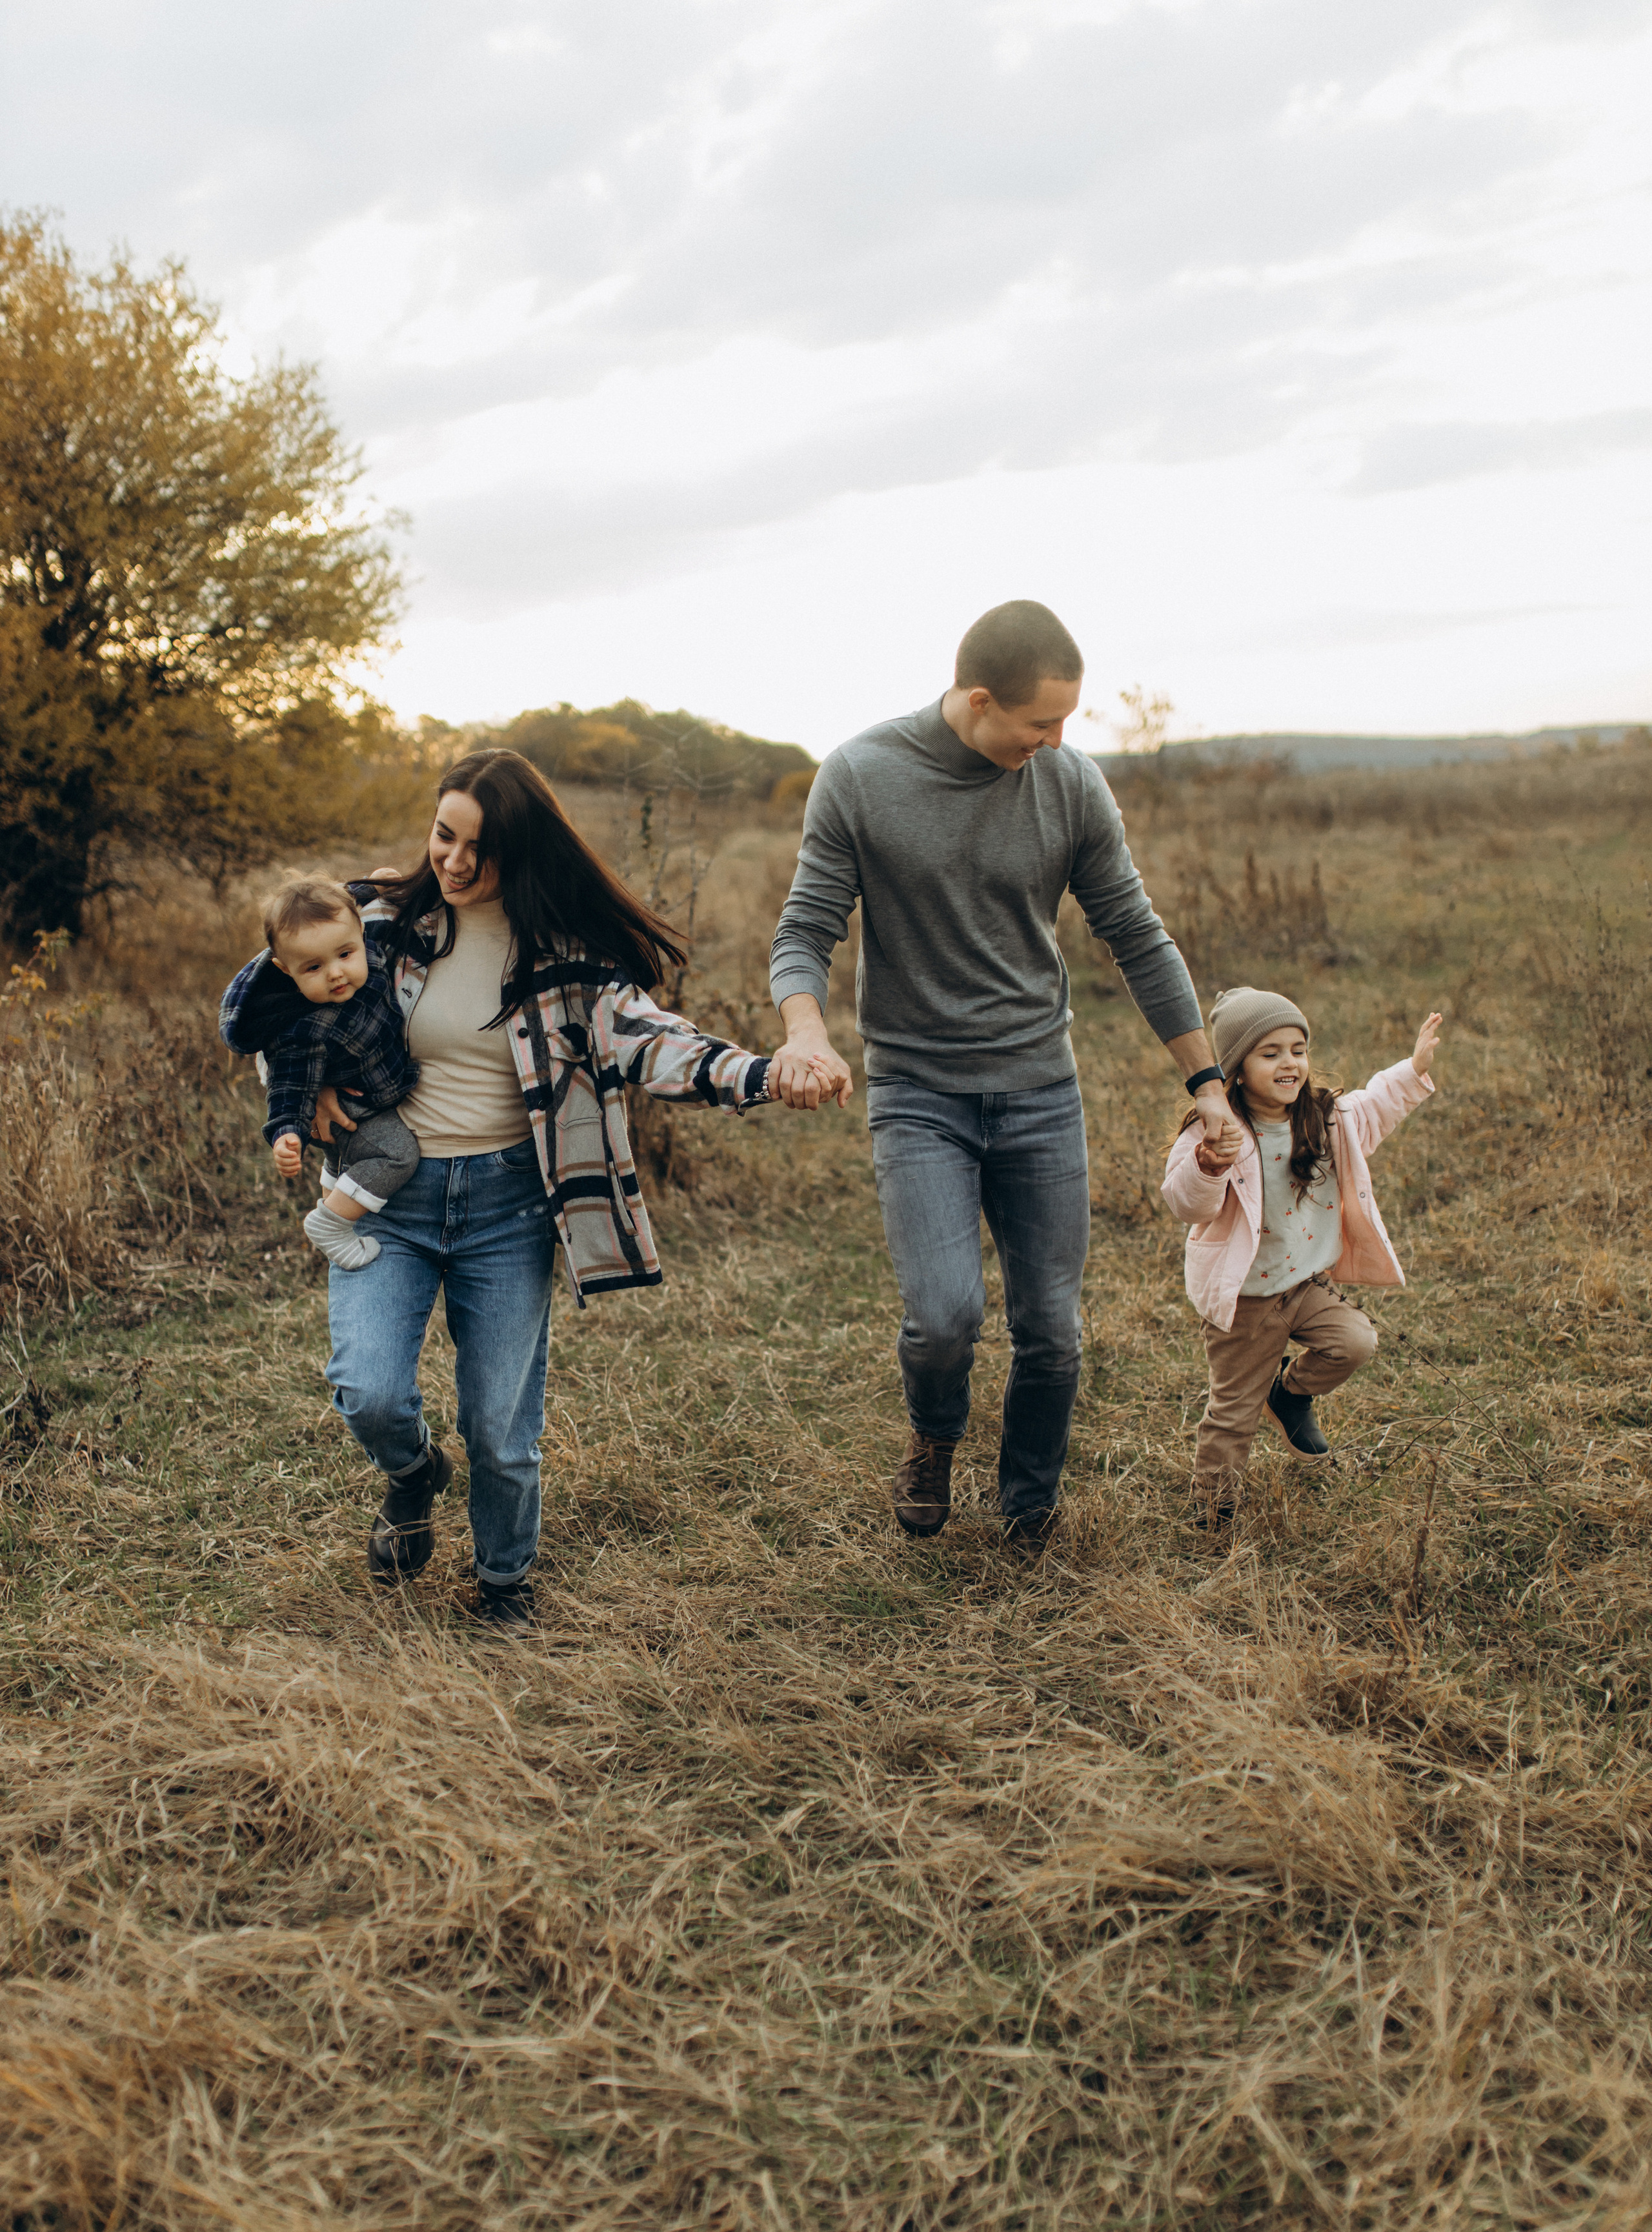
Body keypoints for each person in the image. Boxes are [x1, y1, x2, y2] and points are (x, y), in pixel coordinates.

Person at [766, 598, 1240, 1547]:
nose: (1059, 741)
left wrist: (1207, 1080)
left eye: (1068, 722)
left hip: (1039, 1088)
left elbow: (1136, 936)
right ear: (979, 701)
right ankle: (934, 1435)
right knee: (944, 1316)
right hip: (917, 1092)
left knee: (1052, 1330)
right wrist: (806, 1032)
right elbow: (806, 926)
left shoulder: (1070, 784)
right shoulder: (861, 775)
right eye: (1041, 724)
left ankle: (1029, 1506)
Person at [309, 749, 780, 1632]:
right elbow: (276, 999)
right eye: (442, 835)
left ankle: (503, 1584)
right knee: (369, 1391)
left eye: (476, 849)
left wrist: (759, 1073)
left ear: (520, 855)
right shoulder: (381, 927)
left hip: (506, 1210)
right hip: (387, 1202)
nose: (451, 860)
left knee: (499, 1426)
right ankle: (413, 1478)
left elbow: (655, 1041)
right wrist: (304, 1084)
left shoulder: (568, 959)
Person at [1161, 986, 1442, 1529]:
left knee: (1355, 1342)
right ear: (1236, 1070)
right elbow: (1184, 1203)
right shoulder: (1216, 1130)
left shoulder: (1327, 1118)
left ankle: (1288, 1395)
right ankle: (1212, 1512)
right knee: (1233, 1414)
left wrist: (1413, 1069)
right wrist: (1208, 1165)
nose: (1290, 1063)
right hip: (1245, 1301)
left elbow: (1378, 1104)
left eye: (1298, 1049)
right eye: (1270, 1053)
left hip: (1303, 1286)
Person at [219, 875, 422, 1271]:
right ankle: (330, 1225)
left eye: (344, 954)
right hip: (358, 1116)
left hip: (375, 1093)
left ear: (360, 930)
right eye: (313, 967)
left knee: (338, 1162)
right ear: (285, 970)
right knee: (398, 1154)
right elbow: (289, 1087)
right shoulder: (303, 1028)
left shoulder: (368, 950)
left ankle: (333, 1189)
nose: (335, 973)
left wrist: (379, 882)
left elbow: (352, 898)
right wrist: (287, 1133)